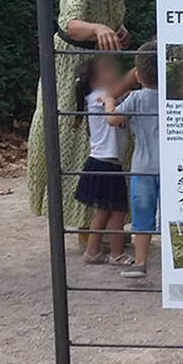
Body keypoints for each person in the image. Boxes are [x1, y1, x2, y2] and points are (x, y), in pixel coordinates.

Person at [28, 0, 130, 233]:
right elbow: (70, 24)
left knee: (110, 140)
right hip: (72, 71)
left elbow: (113, 21)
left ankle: (103, 224)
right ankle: (85, 226)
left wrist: (118, 30)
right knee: (75, 137)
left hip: (101, 66)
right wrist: (98, 28)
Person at [105, 37, 159, 280]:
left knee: (142, 217)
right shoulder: (173, 97)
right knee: (172, 215)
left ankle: (140, 262)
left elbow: (112, 120)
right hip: (171, 167)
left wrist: (108, 101)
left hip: (142, 167)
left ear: (137, 75)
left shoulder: (136, 99)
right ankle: (174, 264)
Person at [75, 55, 130, 264]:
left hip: (101, 161)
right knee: (118, 212)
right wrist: (134, 75)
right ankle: (116, 254)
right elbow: (120, 93)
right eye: (107, 73)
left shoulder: (101, 96)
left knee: (104, 211)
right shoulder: (101, 96)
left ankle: (92, 251)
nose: (114, 75)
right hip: (105, 162)